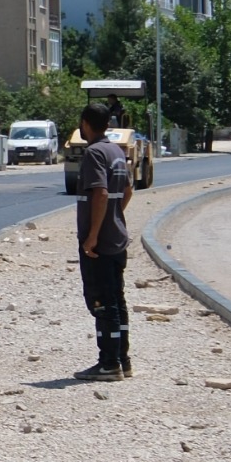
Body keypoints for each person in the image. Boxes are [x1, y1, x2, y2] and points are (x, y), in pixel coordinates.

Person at [74, 103, 134, 380]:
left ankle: (108, 364)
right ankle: (123, 359)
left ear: (86, 123)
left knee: (102, 302)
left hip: (101, 243)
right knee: (117, 299)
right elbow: (128, 189)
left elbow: (99, 193)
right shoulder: (117, 151)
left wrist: (93, 235)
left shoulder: (94, 153)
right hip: (117, 237)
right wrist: (115, 216)